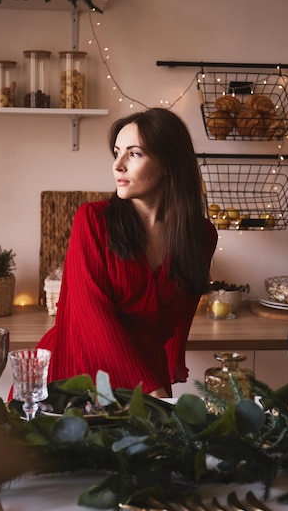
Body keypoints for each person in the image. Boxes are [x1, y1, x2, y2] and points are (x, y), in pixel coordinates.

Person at [37, 107, 217, 398]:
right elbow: (92, 316)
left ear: (169, 163)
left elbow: (179, 317)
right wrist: (152, 389)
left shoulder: (201, 236)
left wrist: (165, 368)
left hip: (148, 373)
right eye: (117, 153)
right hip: (79, 372)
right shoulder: (92, 220)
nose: (117, 166)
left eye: (134, 154)